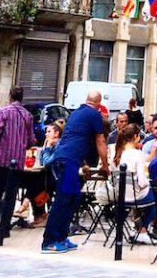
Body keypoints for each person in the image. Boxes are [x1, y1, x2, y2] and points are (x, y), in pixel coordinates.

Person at [41, 88, 108, 253]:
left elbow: (75, 138)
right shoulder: (94, 115)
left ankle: (62, 237)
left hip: (64, 159)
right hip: (68, 161)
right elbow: (100, 140)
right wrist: (105, 165)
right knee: (63, 200)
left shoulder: (76, 113)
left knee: (73, 198)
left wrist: (83, 163)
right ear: (98, 104)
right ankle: (49, 242)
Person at [0, 85, 36, 239]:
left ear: (10, 96)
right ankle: (5, 229)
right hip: (18, 160)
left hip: (2, 158)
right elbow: (31, 139)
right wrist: (23, 145)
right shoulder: (27, 115)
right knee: (11, 195)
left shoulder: (3, 112)